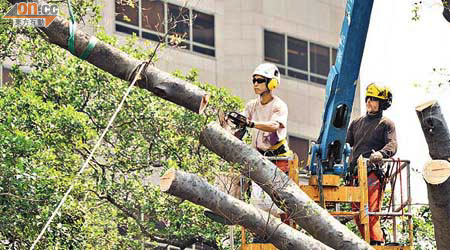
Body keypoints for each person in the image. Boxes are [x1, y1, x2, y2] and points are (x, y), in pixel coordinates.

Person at [346, 83, 397, 245]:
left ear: (382, 103)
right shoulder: (356, 123)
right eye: (368, 98)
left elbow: (392, 145)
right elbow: (347, 144)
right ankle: (370, 241)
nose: (369, 102)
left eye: (374, 99)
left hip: (372, 172)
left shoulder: (386, 124)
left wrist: (380, 154)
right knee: (356, 212)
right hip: (355, 173)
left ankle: (377, 242)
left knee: (371, 210)